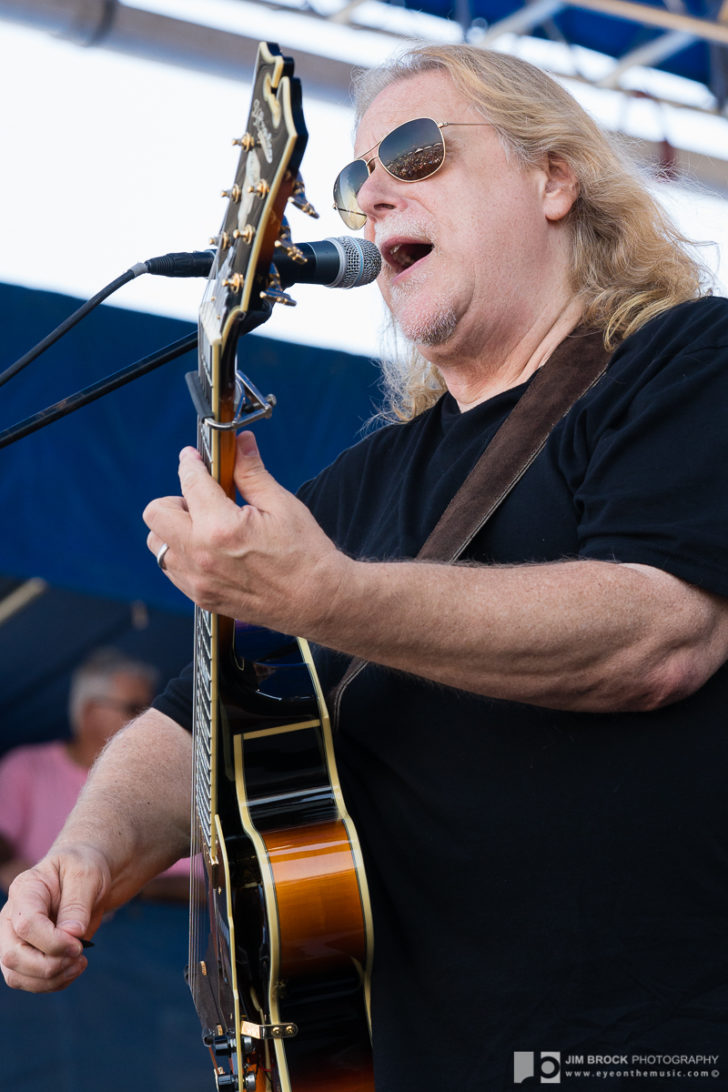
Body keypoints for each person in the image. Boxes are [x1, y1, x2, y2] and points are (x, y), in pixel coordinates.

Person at [2, 43, 728, 1089]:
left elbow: (659, 635)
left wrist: (324, 596)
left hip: (639, 1048)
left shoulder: (682, 363)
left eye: (415, 152)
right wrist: (85, 856)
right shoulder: (361, 483)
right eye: (353, 182)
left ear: (553, 178)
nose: (373, 193)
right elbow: (193, 720)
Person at [0, 647, 189, 900]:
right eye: (135, 708)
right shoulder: (27, 767)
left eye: (152, 710)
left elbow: (206, 882)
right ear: (90, 712)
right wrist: (15, 871)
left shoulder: (170, 782)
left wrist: (119, 888)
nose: (148, 722)